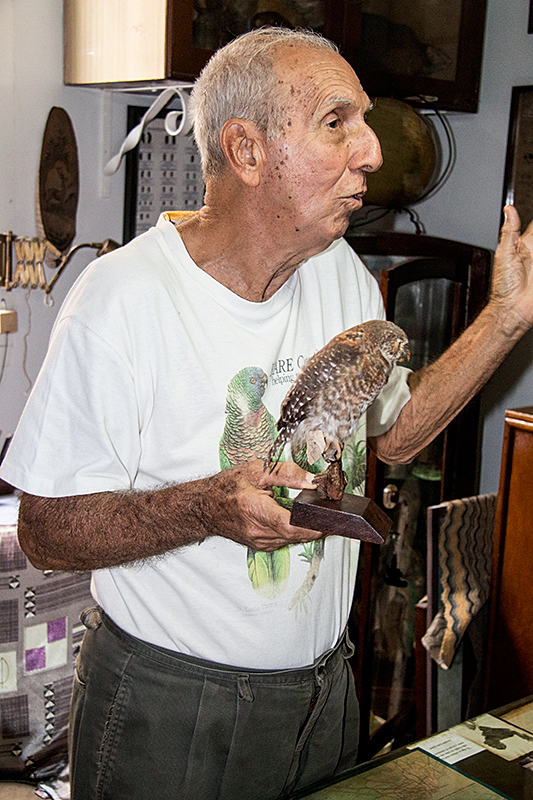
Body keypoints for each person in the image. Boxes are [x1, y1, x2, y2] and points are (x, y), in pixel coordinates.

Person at [2, 26, 533, 800]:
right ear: (245, 151)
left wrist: (506, 319)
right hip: (172, 700)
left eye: (363, 120)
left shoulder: (337, 269)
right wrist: (206, 507)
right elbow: (45, 533)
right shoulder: (122, 300)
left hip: (323, 687)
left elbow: (392, 436)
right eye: (335, 122)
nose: (373, 151)